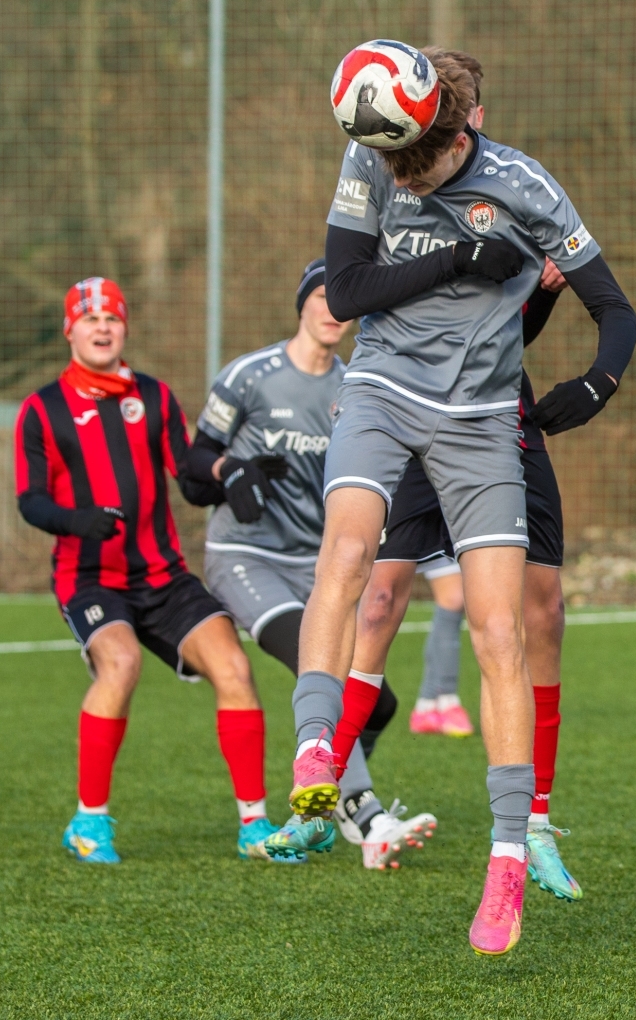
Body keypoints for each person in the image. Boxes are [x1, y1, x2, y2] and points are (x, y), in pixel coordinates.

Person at [285, 42, 636, 955]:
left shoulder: (525, 185)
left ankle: (512, 853)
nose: (398, 175)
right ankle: (317, 747)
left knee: (502, 630)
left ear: (454, 129)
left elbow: (615, 308)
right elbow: (347, 289)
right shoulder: (369, 153)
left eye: (416, 161)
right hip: (382, 392)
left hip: (483, 421)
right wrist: (453, 257)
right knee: (350, 560)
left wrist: (595, 384)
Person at [354, 262, 594, 901]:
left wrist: (543, 295)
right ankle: (325, 789)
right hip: (415, 420)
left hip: (499, 422)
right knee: (376, 602)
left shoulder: (511, 224)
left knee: (541, 613)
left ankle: (534, 824)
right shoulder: (403, 235)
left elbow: (506, 330)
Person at [187, 259, 437, 870]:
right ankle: (366, 818)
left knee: (377, 702)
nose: (331, 309)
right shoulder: (250, 376)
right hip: (246, 556)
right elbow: (193, 466)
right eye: (321, 296)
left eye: (343, 299)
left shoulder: (358, 387)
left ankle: (326, 797)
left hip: (318, 565)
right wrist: (231, 473)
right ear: (301, 303)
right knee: (316, 665)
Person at [14, 278, 273, 865]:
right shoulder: (42, 409)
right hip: (89, 578)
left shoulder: (153, 397)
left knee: (234, 666)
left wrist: (235, 473)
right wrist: (77, 521)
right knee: (122, 663)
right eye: (90, 319)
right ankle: (89, 822)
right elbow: (30, 501)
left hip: (162, 574)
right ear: (70, 330)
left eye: (112, 318)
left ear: (124, 328)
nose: (102, 327)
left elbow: (188, 475)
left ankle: (255, 826)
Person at [357, 539, 471, 737]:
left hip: (455, 523)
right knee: (452, 597)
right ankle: (439, 701)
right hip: (421, 523)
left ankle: (432, 703)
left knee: (455, 599)